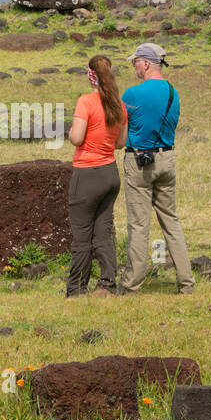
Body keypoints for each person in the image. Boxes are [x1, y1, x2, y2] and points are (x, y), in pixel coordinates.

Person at [118, 42, 194, 295]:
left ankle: (132, 284)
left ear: (146, 63)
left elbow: (121, 127)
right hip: (167, 158)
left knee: (139, 225)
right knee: (171, 221)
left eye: (135, 62)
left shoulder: (132, 94)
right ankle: (186, 282)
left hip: (139, 161)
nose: (134, 67)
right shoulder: (174, 92)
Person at [65, 54, 127, 297]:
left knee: (81, 235)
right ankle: (107, 285)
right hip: (110, 173)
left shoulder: (86, 102)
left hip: (87, 173)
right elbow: (120, 143)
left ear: (90, 76)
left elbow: (77, 138)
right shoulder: (119, 105)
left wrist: (71, 131)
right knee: (103, 232)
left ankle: (76, 288)